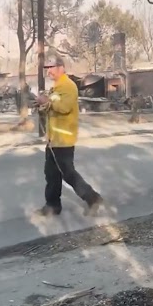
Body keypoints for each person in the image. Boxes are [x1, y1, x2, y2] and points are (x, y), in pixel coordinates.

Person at [35, 54, 103, 216]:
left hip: (64, 140)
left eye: (51, 68)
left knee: (68, 174)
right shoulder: (57, 87)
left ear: (61, 68)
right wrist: (41, 105)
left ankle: (92, 198)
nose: (49, 72)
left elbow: (64, 107)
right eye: (47, 69)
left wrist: (46, 102)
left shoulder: (68, 86)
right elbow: (51, 107)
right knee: (51, 174)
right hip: (54, 139)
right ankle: (52, 206)